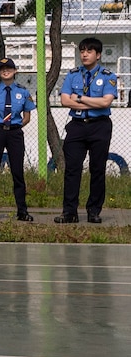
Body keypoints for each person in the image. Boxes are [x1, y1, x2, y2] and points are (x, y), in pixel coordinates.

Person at [57, 36, 118, 224]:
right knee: (72, 169)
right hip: (76, 126)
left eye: (89, 51)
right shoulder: (73, 74)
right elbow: (65, 100)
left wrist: (80, 99)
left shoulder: (108, 76)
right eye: (82, 51)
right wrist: (93, 104)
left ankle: (93, 211)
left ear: (98, 55)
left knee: (97, 169)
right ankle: (69, 212)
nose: (84, 54)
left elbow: (106, 102)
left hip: (99, 126)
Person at [0, 57, 35, 222]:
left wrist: (13, 126)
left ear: (15, 71)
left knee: (18, 172)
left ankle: (22, 210)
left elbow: (27, 117)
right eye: (2, 69)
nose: (6, 71)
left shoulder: (23, 91)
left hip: (15, 133)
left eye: (9, 68)